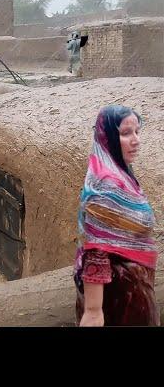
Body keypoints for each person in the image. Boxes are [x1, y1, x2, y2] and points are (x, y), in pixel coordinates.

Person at [74, 105, 159, 327]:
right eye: (125, 133)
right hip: (118, 300)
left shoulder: (122, 176)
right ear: (108, 137)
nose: (136, 140)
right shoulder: (106, 185)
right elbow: (97, 249)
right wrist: (93, 311)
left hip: (131, 292)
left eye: (137, 132)